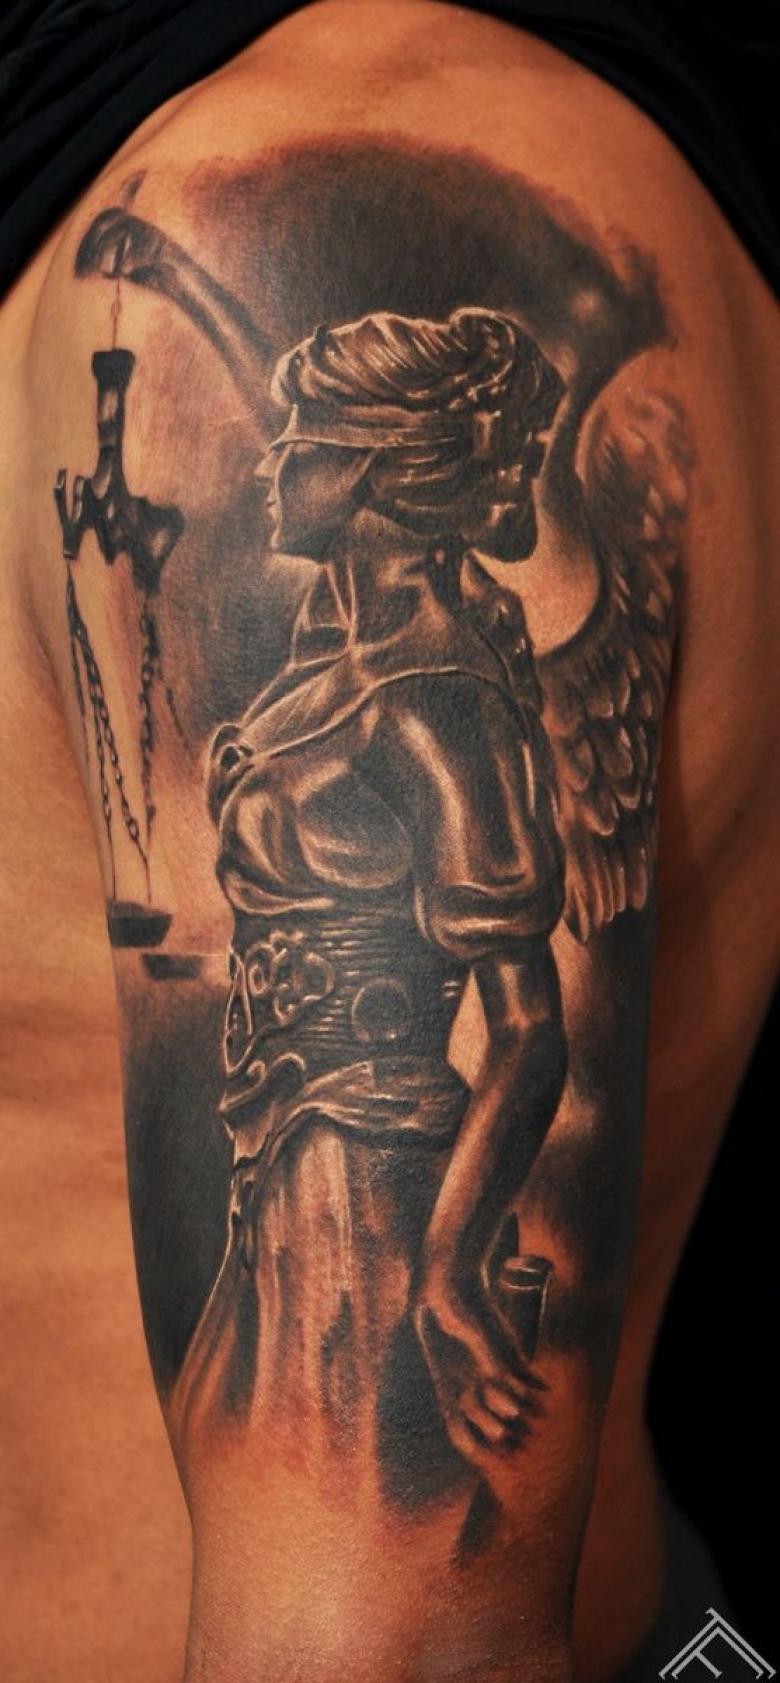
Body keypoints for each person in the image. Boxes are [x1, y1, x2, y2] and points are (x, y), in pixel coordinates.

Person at [0, 6, 777, 1682]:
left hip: (359, 1221)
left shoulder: (318, 193)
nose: (275, 453)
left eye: (311, 440)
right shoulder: (343, 651)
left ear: (379, 480)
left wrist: (439, 1269)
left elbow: (399, 1649)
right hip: (314, 1208)